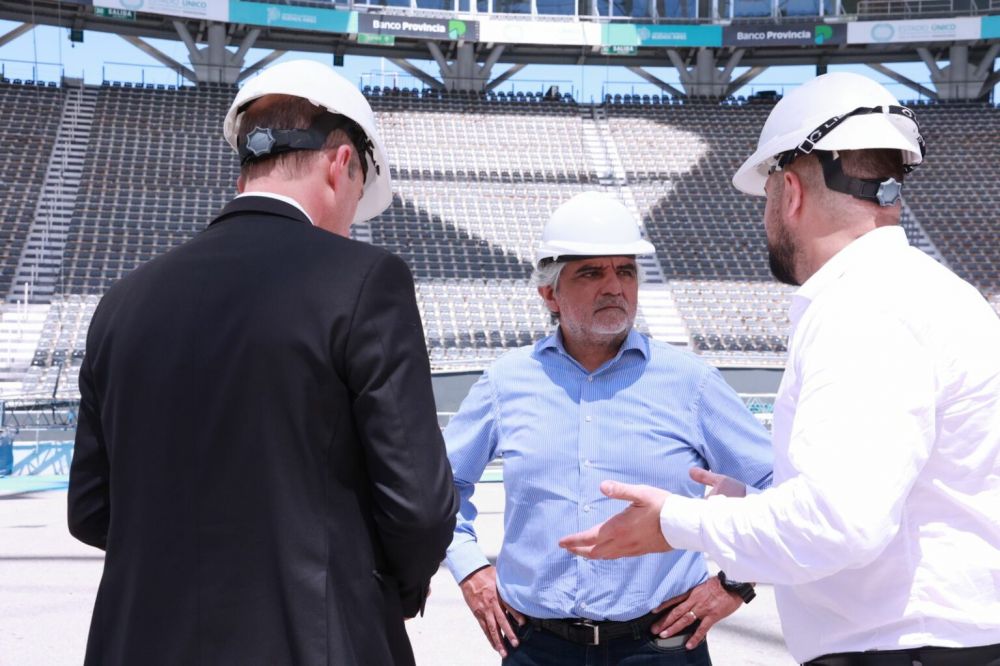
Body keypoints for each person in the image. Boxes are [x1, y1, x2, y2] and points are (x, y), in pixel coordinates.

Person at [559, 72, 1000, 666]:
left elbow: (836, 523)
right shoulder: (938, 293)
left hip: (901, 648)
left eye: (766, 195)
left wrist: (677, 523)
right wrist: (738, 506)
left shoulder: (861, 307)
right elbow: (889, 494)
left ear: (789, 191)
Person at [67, 60, 458, 666]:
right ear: (342, 163)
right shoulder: (364, 281)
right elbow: (421, 507)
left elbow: (92, 510)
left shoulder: (122, 302)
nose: (353, 215)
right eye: (358, 195)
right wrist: (377, 590)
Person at [444, 191, 773, 665]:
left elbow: (780, 484)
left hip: (660, 649)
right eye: (591, 272)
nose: (615, 286)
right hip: (537, 649)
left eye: (626, 271)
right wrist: (470, 568)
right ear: (549, 293)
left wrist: (735, 584)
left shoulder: (691, 383)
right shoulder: (505, 382)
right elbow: (441, 487)